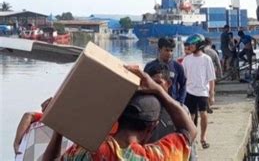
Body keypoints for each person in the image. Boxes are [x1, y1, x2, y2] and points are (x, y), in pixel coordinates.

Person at [42, 65, 197, 160]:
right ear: (152, 127)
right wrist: (158, 90)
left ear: (117, 117)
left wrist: (59, 126)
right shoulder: (157, 156)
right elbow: (189, 131)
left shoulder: (88, 153)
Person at [182, 34, 216, 149]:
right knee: (190, 116)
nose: (190, 47)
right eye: (189, 45)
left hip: (202, 92)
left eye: (192, 45)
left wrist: (212, 94)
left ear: (199, 45)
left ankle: (203, 137)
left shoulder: (206, 59)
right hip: (189, 91)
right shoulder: (186, 60)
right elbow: (183, 78)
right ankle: (192, 138)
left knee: (203, 114)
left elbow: (211, 78)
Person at [145, 37, 187, 104]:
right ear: (159, 49)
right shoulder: (150, 66)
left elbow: (183, 85)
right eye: (167, 50)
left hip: (172, 102)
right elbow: (144, 84)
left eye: (171, 51)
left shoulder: (177, 66)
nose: (169, 53)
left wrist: (180, 101)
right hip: (155, 102)